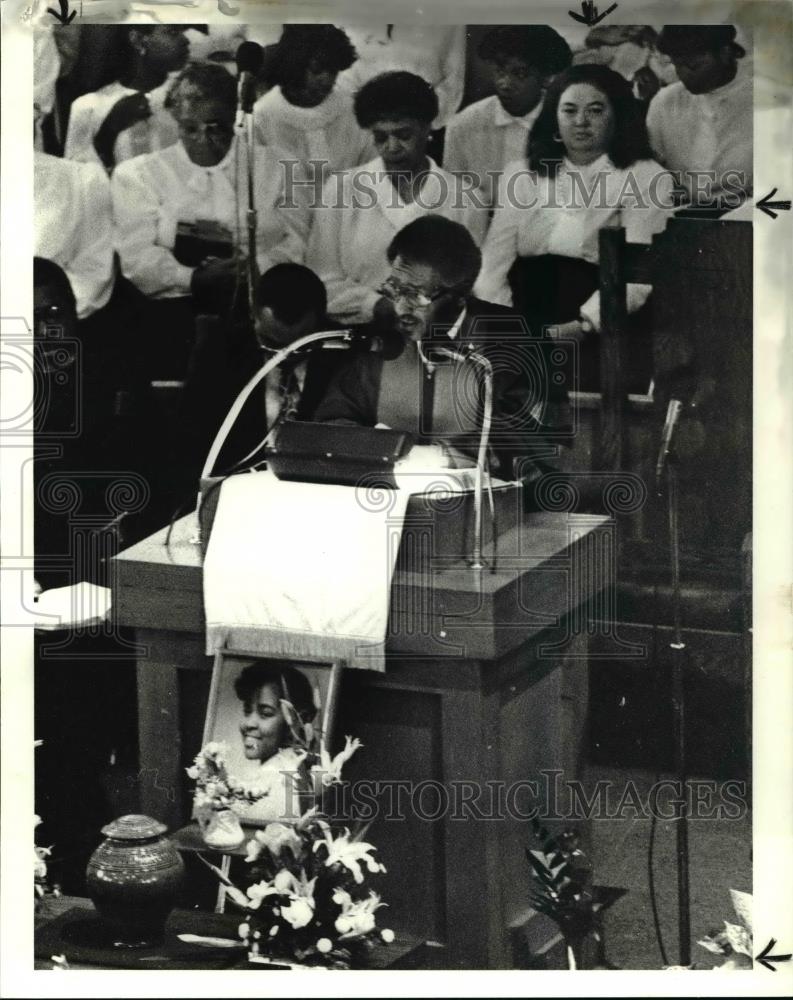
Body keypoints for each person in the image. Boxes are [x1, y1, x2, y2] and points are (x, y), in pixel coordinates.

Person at [474, 64, 674, 392]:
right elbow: (493, 263)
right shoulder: (521, 174)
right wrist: (505, 327)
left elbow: (637, 277)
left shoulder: (646, 176)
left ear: (619, 116)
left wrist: (582, 326)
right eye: (569, 110)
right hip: (521, 314)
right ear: (554, 118)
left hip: (601, 324)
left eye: (595, 111)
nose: (581, 122)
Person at [111, 61, 308, 381]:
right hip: (175, 315)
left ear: (235, 118)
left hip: (263, 308)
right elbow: (137, 260)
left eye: (216, 126)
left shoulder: (279, 166)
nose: (203, 139)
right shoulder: (138, 174)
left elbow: (299, 241)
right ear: (175, 121)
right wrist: (192, 277)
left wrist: (255, 269)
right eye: (190, 128)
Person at [313, 216, 549, 479]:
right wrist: (374, 444)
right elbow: (331, 423)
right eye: (395, 290)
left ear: (459, 297)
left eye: (416, 296)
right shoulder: (380, 345)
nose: (400, 308)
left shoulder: (505, 349)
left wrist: (438, 456)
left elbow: (523, 451)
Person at [306, 71, 488, 328]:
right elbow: (321, 280)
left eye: (403, 135)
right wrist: (376, 306)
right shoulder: (341, 189)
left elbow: (470, 287)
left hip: (431, 340)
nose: (391, 147)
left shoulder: (467, 200)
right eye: (381, 137)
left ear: (427, 127)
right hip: (355, 340)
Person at [444, 26, 572, 211]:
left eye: (519, 74)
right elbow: (454, 199)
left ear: (545, 78)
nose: (504, 83)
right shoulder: (463, 124)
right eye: (499, 71)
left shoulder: (566, 123)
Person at [646, 25, 752, 212]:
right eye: (677, 64)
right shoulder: (665, 101)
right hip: (682, 217)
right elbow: (649, 166)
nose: (683, 74)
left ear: (725, 53)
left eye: (694, 66)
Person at [253, 25, 373, 184]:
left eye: (333, 71)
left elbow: (371, 170)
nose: (327, 79)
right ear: (294, 65)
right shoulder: (262, 117)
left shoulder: (352, 111)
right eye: (316, 70)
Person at [64, 24, 190, 170]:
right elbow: (77, 182)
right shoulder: (88, 107)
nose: (185, 40)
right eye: (173, 31)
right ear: (138, 40)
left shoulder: (190, 94)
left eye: (183, 31)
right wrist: (108, 131)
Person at [232, 660, 318, 822]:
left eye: (265, 713)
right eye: (247, 711)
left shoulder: (279, 782)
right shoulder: (289, 770)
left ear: (297, 720)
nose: (248, 724)